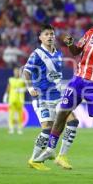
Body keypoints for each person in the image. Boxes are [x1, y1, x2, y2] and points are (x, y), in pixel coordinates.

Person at [34, 11, 93, 180]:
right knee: (62, 112)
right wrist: (70, 44)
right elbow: (76, 51)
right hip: (78, 80)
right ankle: (50, 150)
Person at [23, 24, 76, 171]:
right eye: (46, 34)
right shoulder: (36, 54)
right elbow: (26, 72)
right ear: (40, 37)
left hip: (58, 97)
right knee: (47, 129)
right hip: (42, 98)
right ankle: (34, 160)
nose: (50, 36)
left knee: (73, 121)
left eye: (52, 34)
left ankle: (62, 156)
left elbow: (56, 76)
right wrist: (30, 87)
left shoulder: (58, 53)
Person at [3, 67, 26, 134]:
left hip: (20, 99)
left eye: (17, 71)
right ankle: (11, 128)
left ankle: (19, 129)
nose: (16, 73)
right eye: (15, 72)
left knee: (20, 115)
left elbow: (27, 87)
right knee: (11, 114)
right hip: (12, 99)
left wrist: (23, 89)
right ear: (13, 72)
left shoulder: (22, 80)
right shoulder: (11, 79)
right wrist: (6, 95)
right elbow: (8, 87)